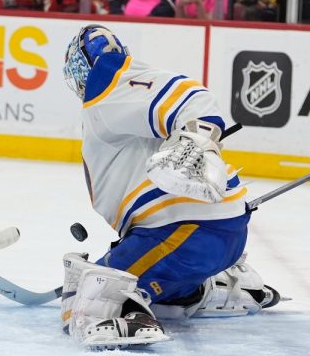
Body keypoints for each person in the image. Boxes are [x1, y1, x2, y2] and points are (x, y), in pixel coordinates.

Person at [58, 24, 282, 348]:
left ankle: (127, 306)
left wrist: (197, 135)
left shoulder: (105, 81)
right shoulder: (119, 107)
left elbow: (192, 98)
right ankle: (205, 288)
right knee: (150, 290)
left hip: (184, 235)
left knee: (86, 300)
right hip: (212, 236)